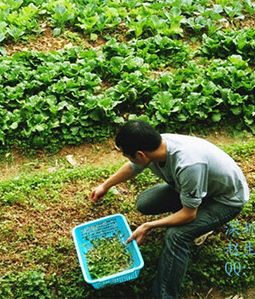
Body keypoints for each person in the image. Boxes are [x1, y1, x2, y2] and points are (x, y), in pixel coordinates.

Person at [89, 120, 249, 299]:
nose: (130, 160)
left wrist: (148, 226)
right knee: (145, 202)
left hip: (225, 200)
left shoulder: (189, 164)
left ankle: (165, 295)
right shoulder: (156, 144)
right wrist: (106, 185)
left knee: (176, 235)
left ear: (141, 154)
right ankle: (196, 205)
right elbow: (133, 167)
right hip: (195, 189)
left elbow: (189, 215)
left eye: (129, 156)